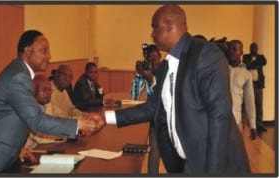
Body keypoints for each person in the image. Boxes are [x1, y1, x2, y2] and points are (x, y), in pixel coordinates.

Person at [94, 5, 251, 174]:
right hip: (186, 164)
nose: (152, 34)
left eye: (154, 27)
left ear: (169, 25)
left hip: (213, 165)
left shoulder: (204, 54)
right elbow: (153, 107)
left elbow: (220, 117)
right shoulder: (165, 66)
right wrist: (106, 117)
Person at [0, 30, 103, 174]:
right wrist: (79, 124)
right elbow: (36, 120)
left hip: (6, 151)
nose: (49, 56)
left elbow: (12, 116)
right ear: (27, 50)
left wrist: (16, 149)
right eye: (44, 50)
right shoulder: (19, 77)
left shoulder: (19, 72)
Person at [130, 44, 162, 174]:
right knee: (154, 151)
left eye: (154, 60)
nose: (152, 64)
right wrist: (139, 76)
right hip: (154, 118)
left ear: (160, 57)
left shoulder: (166, 70)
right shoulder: (146, 73)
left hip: (170, 119)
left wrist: (151, 80)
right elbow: (134, 96)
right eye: (149, 60)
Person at [228, 40, 257, 140]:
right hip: (219, 122)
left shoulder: (246, 74)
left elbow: (250, 101)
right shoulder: (219, 69)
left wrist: (253, 126)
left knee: (236, 154)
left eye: (235, 49)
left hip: (237, 122)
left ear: (241, 52)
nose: (231, 51)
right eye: (230, 48)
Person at [242, 42, 267, 134]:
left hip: (258, 84)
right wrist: (256, 64)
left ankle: (259, 124)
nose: (254, 49)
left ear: (258, 49)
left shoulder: (261, 57)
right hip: (248, 84)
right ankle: (244, 123)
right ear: (250, 49)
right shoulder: (245, 56)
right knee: (246, 104)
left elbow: (264, 62)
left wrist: (253, 64)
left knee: (259, 104)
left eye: (255, 48)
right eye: (252, 47)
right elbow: (247, 65)